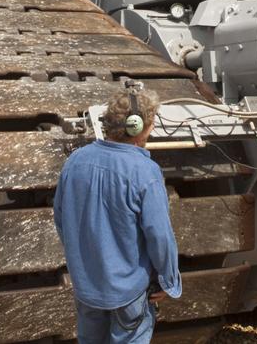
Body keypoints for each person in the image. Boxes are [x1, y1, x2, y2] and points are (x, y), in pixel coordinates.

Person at [53, 89, 180, 343]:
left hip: (87, 289)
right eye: (152, 122)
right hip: (128, 293)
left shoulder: (75, 161)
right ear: (137, 127)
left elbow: (61, 218)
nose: (152, 129)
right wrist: (168, 281)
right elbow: (160, 236)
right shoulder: (146, 171)